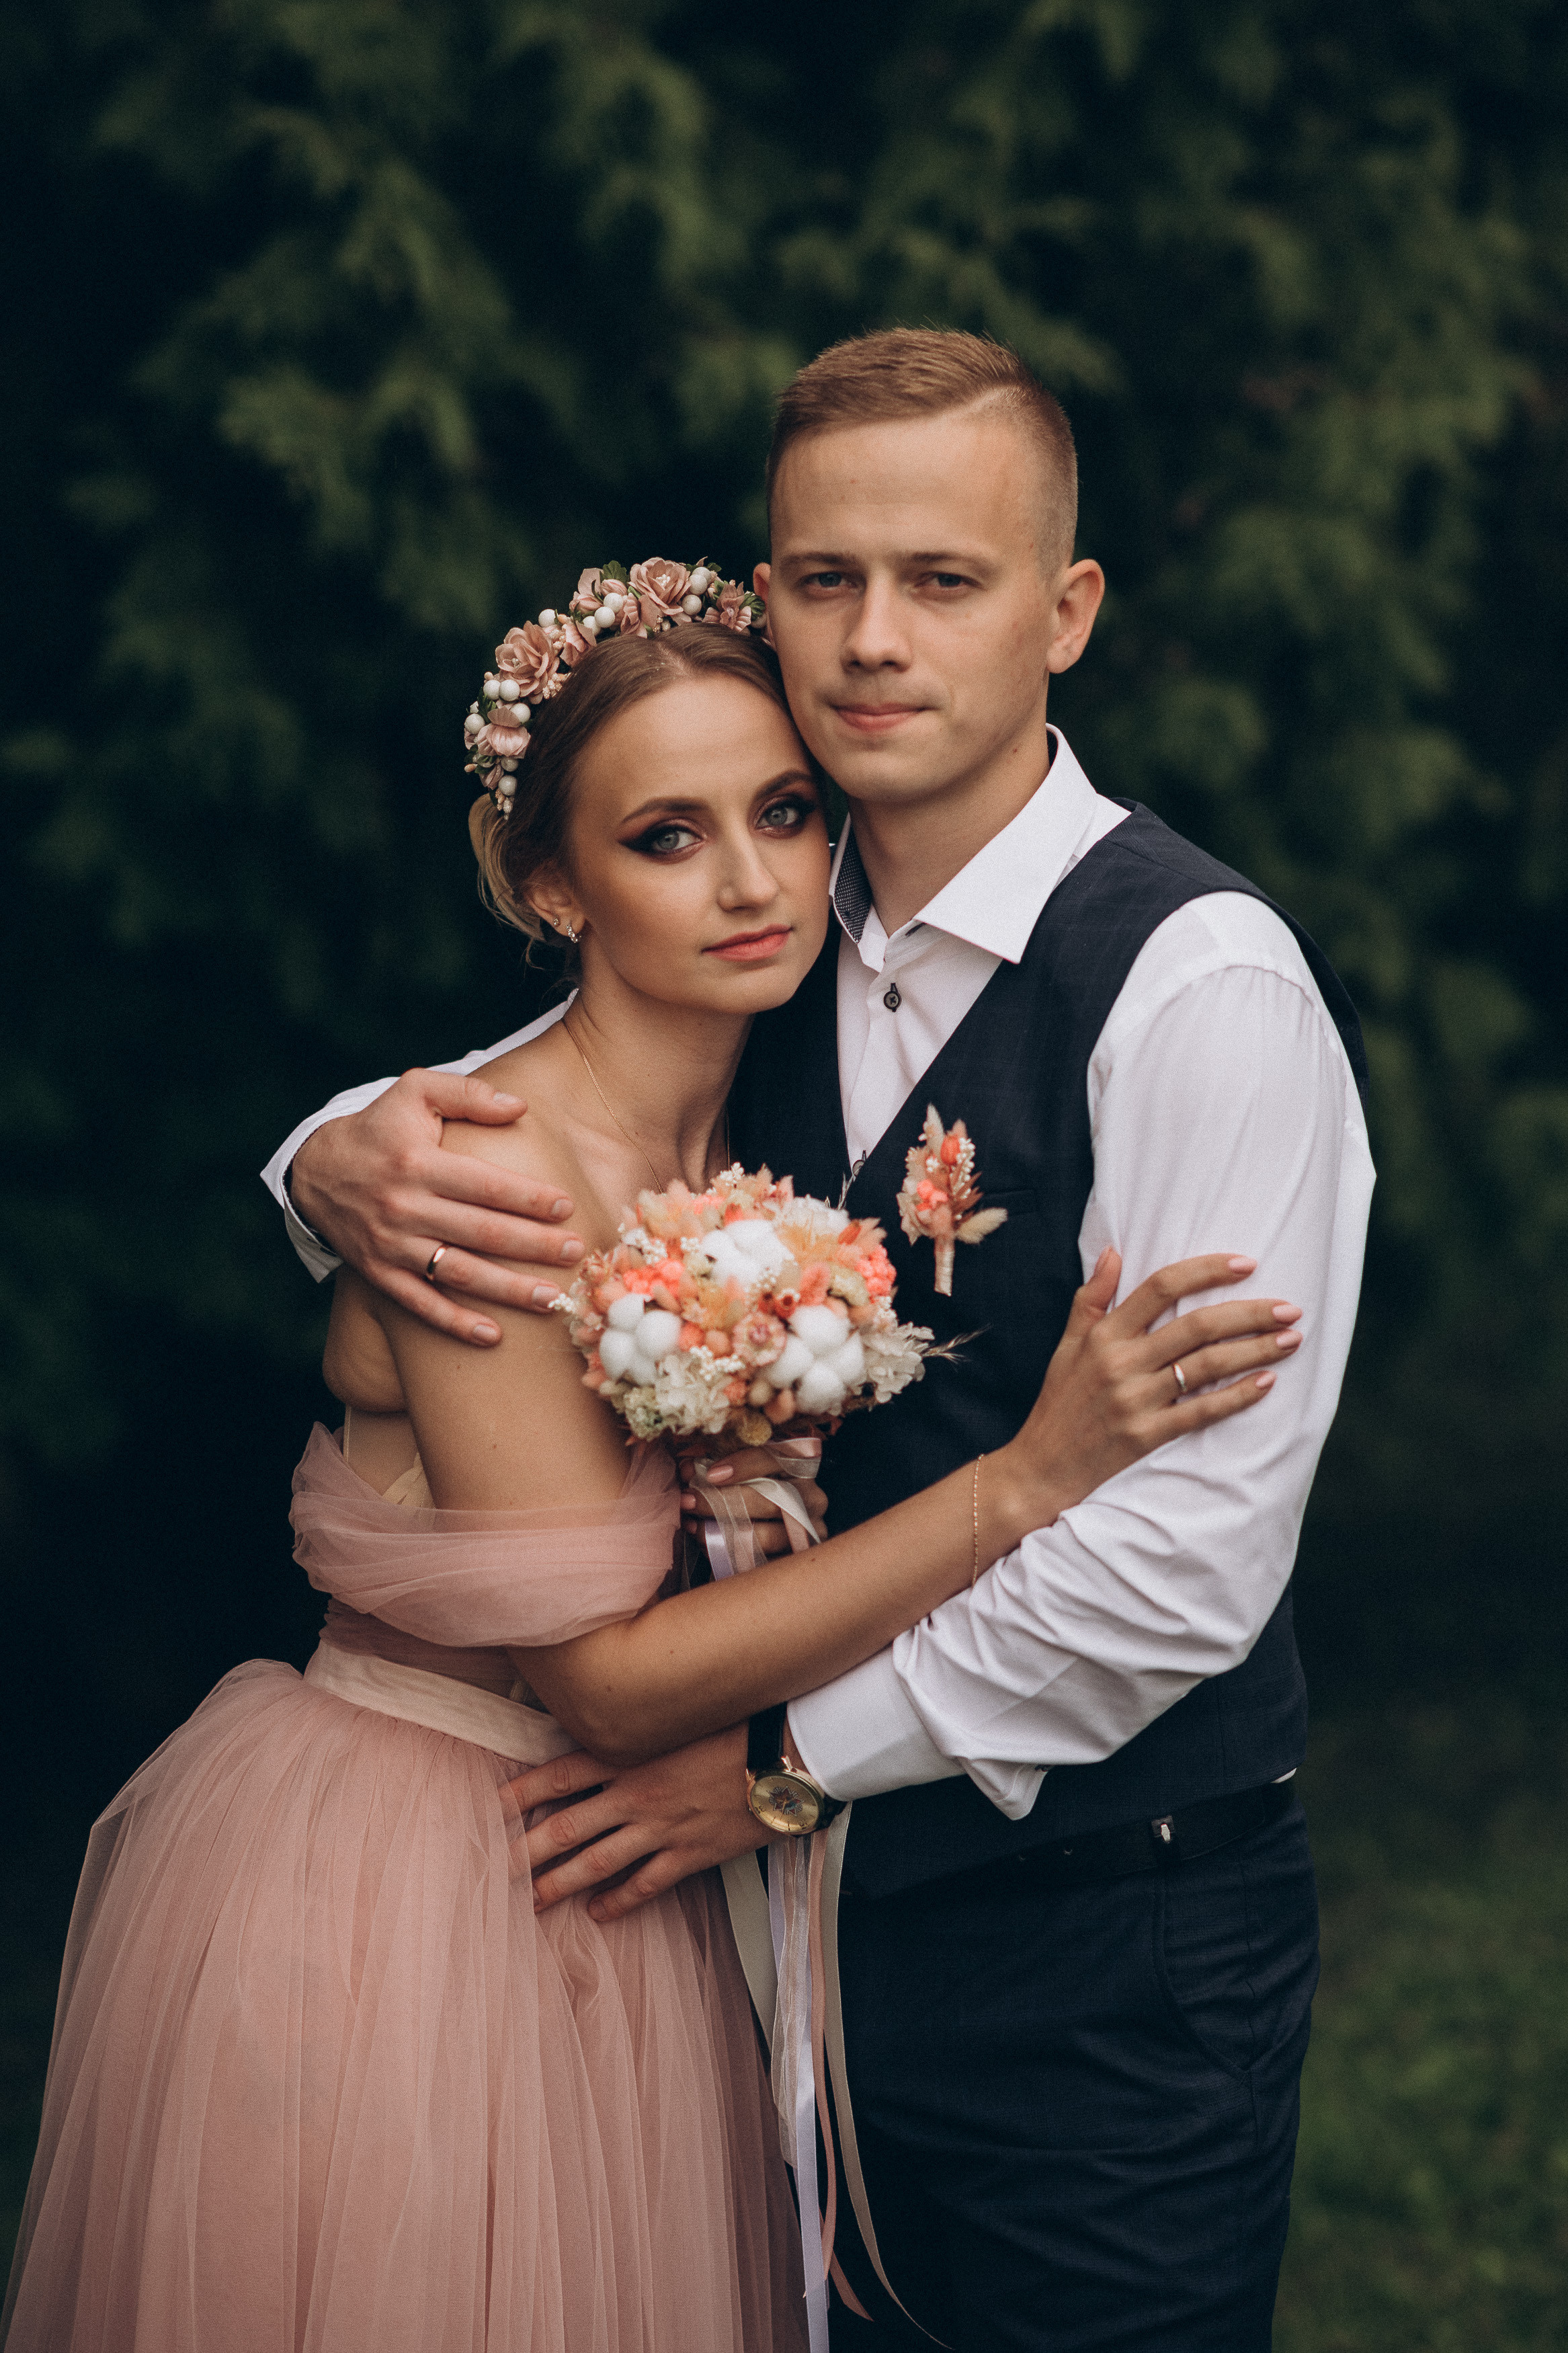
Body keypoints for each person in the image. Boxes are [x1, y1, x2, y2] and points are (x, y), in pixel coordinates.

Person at [259, 333, 1374, 2350]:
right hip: (774, 1956)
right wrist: (323, 1159)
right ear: (760, 593)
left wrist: (781, 1770)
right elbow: (510, 1099)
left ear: (1066, 612)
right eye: (817, 578)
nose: (869, 641)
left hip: (1100, 1942)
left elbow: (1182, 1563)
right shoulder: (765, 910)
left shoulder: (1197, 989)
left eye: (941, 581)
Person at [2, 622, 1294, 2353]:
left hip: (647, 1897)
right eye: (664, 836)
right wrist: (1027, 1478)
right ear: (549, 882)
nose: (751, 881)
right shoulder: (483, 1188)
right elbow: (602, 1677)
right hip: (428, 1890)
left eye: (783, 811)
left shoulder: (775, 1114)